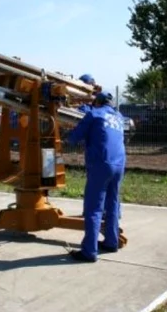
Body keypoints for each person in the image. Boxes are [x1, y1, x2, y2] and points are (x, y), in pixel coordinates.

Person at [65, 81, 127, 263]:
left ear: (97, 102)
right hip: (119, 164)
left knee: (93, 208)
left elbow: (74, 138)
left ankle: (89, 252)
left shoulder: (93, 114)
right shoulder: (119, 117)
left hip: (101, 164)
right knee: (113, 204)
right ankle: (111, 242)